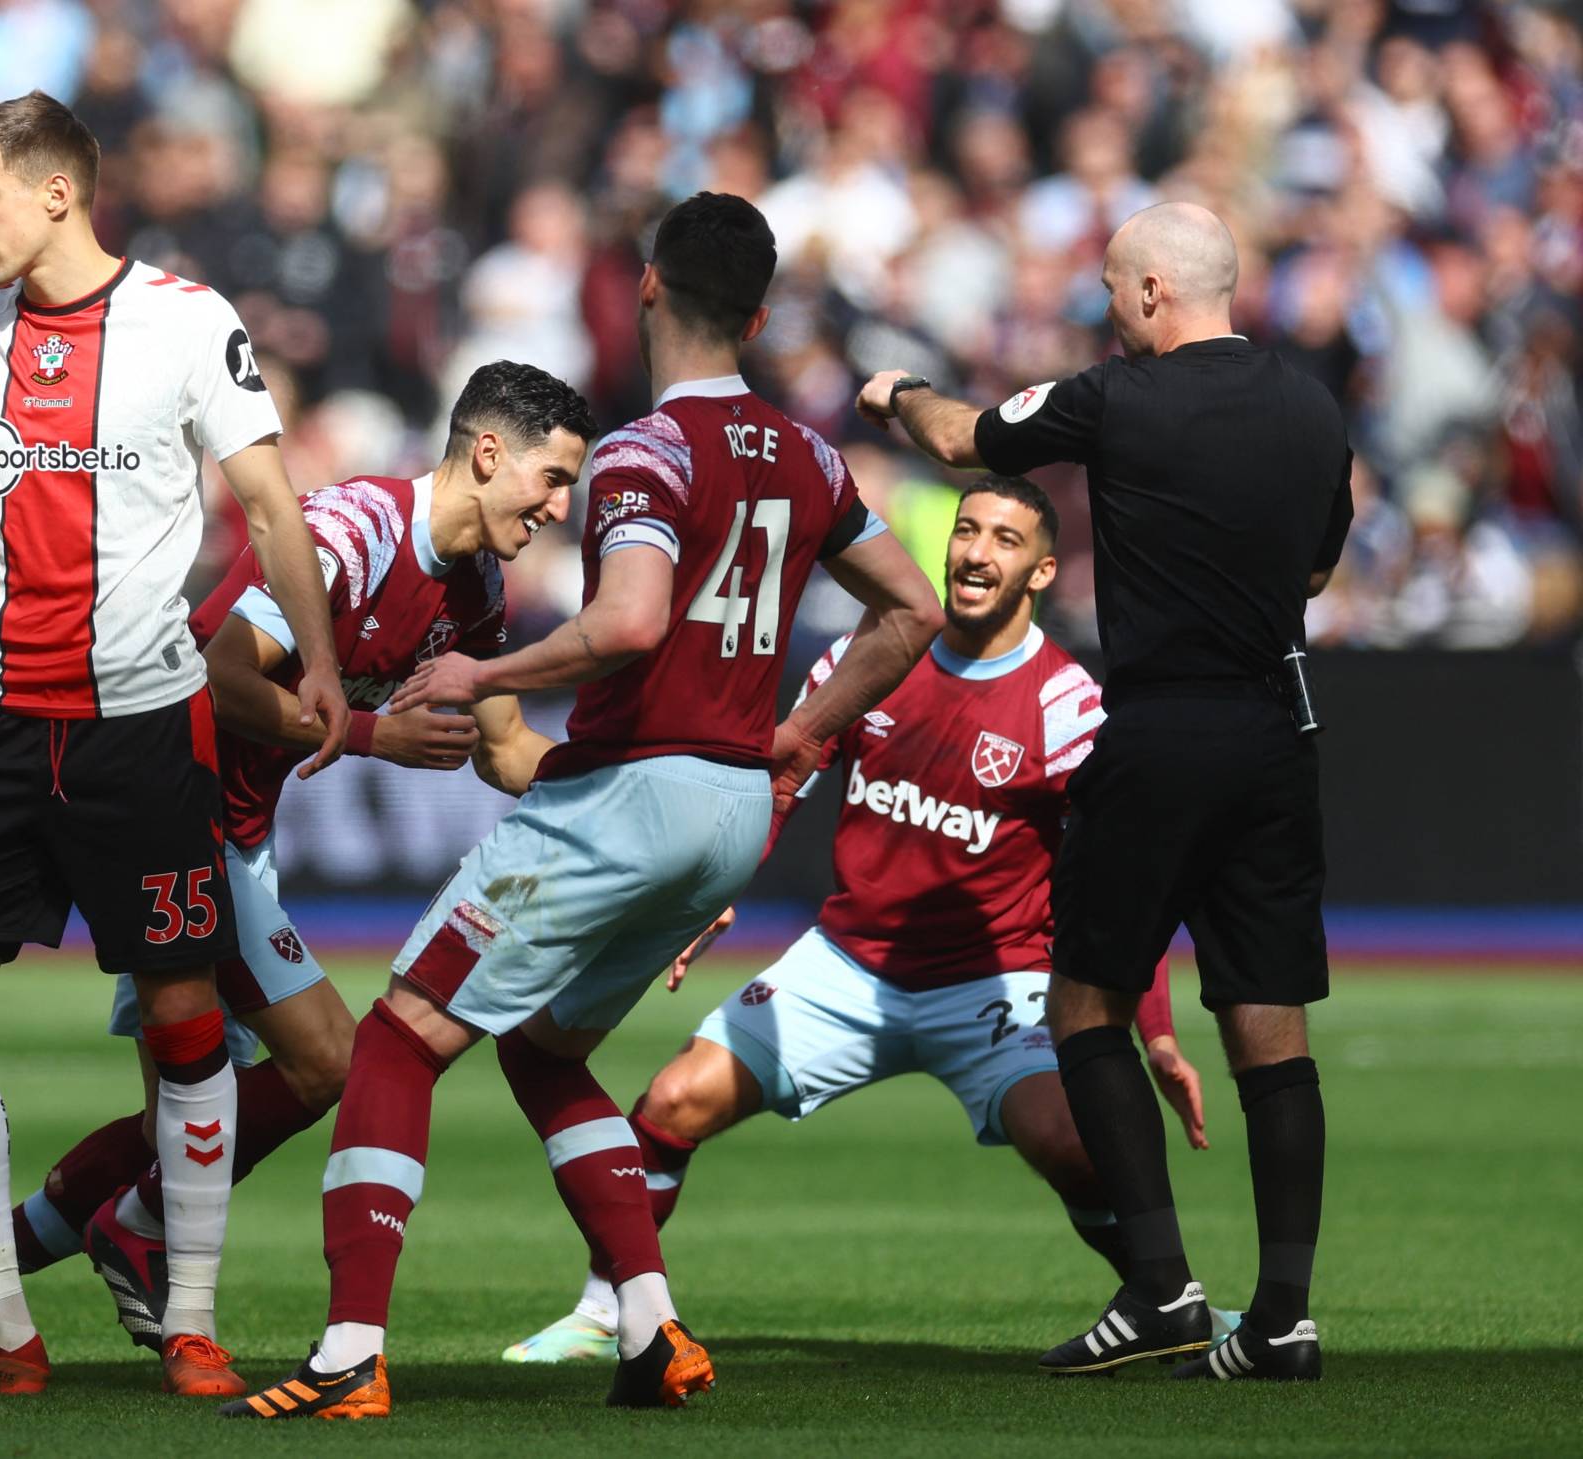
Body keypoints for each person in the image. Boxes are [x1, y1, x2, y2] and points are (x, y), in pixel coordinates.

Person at [222, 191, 943, 1422]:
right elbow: (913, 612)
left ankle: (348, 1350)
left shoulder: (644, 450)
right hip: (724, 808)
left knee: (396, 1039)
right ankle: (652, 1329)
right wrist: (793, 742)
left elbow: (627, 624)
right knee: (547, 1050)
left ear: (649, 286)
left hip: (630, 789)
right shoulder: (811, 455)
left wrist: (483, 672)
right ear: (761, 314)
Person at [0, 91, 348, 1399]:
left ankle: (191, 1316)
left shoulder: (189, 322)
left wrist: (313, 656)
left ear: (55, 196)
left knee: (186, 1013)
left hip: (141, 730)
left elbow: (266, 497)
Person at [0, 362, 593, 1368]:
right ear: (487, 454)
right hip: (164, 802)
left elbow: (509, 746)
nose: (559, 508)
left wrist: (636, 808)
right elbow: (215, 677)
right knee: (326, 1061)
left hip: (234, 824)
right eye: (552, 478)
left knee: (181, 1105)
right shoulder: (348, 531)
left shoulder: (474, 589)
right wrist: (367, 736)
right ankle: (129, 1232)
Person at [502, 475, 1221, 1365]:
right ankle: (608, 1306)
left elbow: (1123, 884)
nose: (975, 553)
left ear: (1040, 572)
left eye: (1004, 540)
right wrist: (705, 889)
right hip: (846, 965)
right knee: (673, 1102)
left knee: (1073, 1139)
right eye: (967, 531)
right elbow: (779, 779)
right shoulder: (871, 654)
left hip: (993, 982)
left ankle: (1166, 1296)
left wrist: (1152, 1030)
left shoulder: (1068, 707)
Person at [855, 202, 1353, 1381]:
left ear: (1146, 294)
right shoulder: (1310, 404)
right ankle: (1280, 1318)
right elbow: (1321, 561)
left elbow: (960, 439)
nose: (1107, 310)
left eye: (1112, 290)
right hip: (1275, 726)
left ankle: (1160, 1288)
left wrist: (891, 389)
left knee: (1081, 1001)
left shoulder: (1115, 398)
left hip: (1161, 727)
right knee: (1268, 1028)